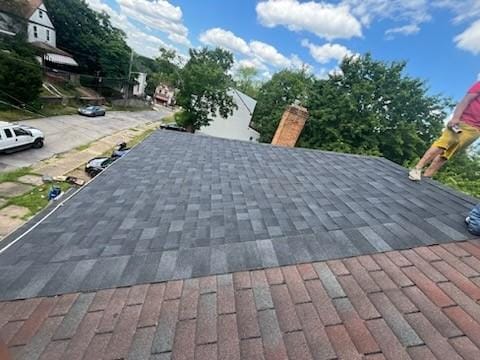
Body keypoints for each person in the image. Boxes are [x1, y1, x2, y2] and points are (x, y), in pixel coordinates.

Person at [409, 81, 480, 181]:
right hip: (462, 122)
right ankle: (417, 168)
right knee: (443, 144)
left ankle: (427, 176)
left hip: (475, 130)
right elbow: (465, 100)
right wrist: (455, 118)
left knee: (449, 152)